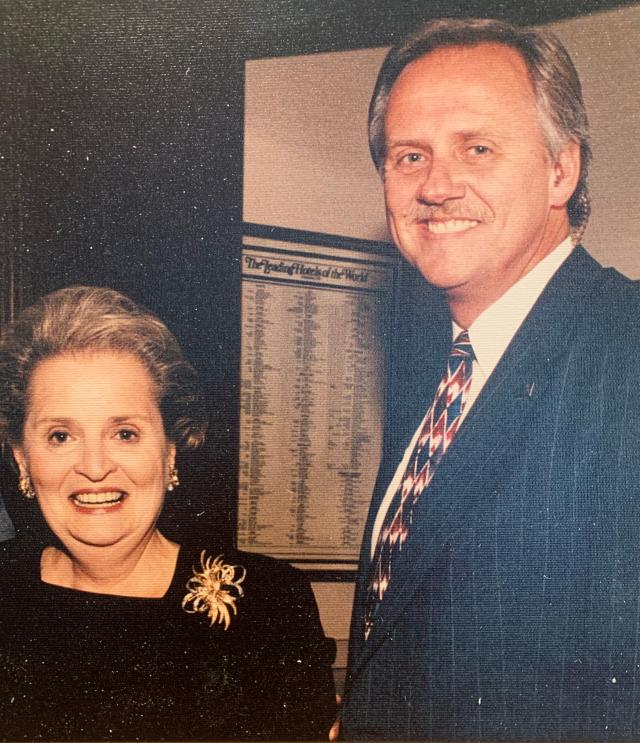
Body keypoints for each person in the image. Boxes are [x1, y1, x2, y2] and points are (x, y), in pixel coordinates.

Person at [340, 17, 640, 741]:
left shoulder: (624, 349)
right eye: (410, 155)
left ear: (561, 170)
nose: (437, 185)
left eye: (477, 147)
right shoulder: (435, 373)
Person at [0, 285, 336, 741]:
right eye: (61, 436)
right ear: (22, 458)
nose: (95, 467)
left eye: (125, 433)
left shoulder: (267, 605)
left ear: (170, 449)